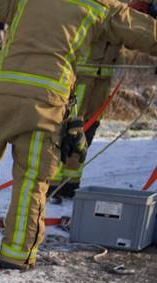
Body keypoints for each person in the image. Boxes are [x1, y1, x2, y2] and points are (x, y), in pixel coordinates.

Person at [0, 0, 157, 271]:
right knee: (32, 180)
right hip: (47, 103)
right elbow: (147, 33)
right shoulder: (102, 7)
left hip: (0, 94)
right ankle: (18, 253)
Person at [51, 0, 157, 199]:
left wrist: (145, 12)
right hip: (79, 76)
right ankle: (51, 183)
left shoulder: (119, 10)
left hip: (102, 80)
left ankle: (70, 183)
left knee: (87, 132)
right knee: (68, 129)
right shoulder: (91, 6)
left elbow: (133, 33)